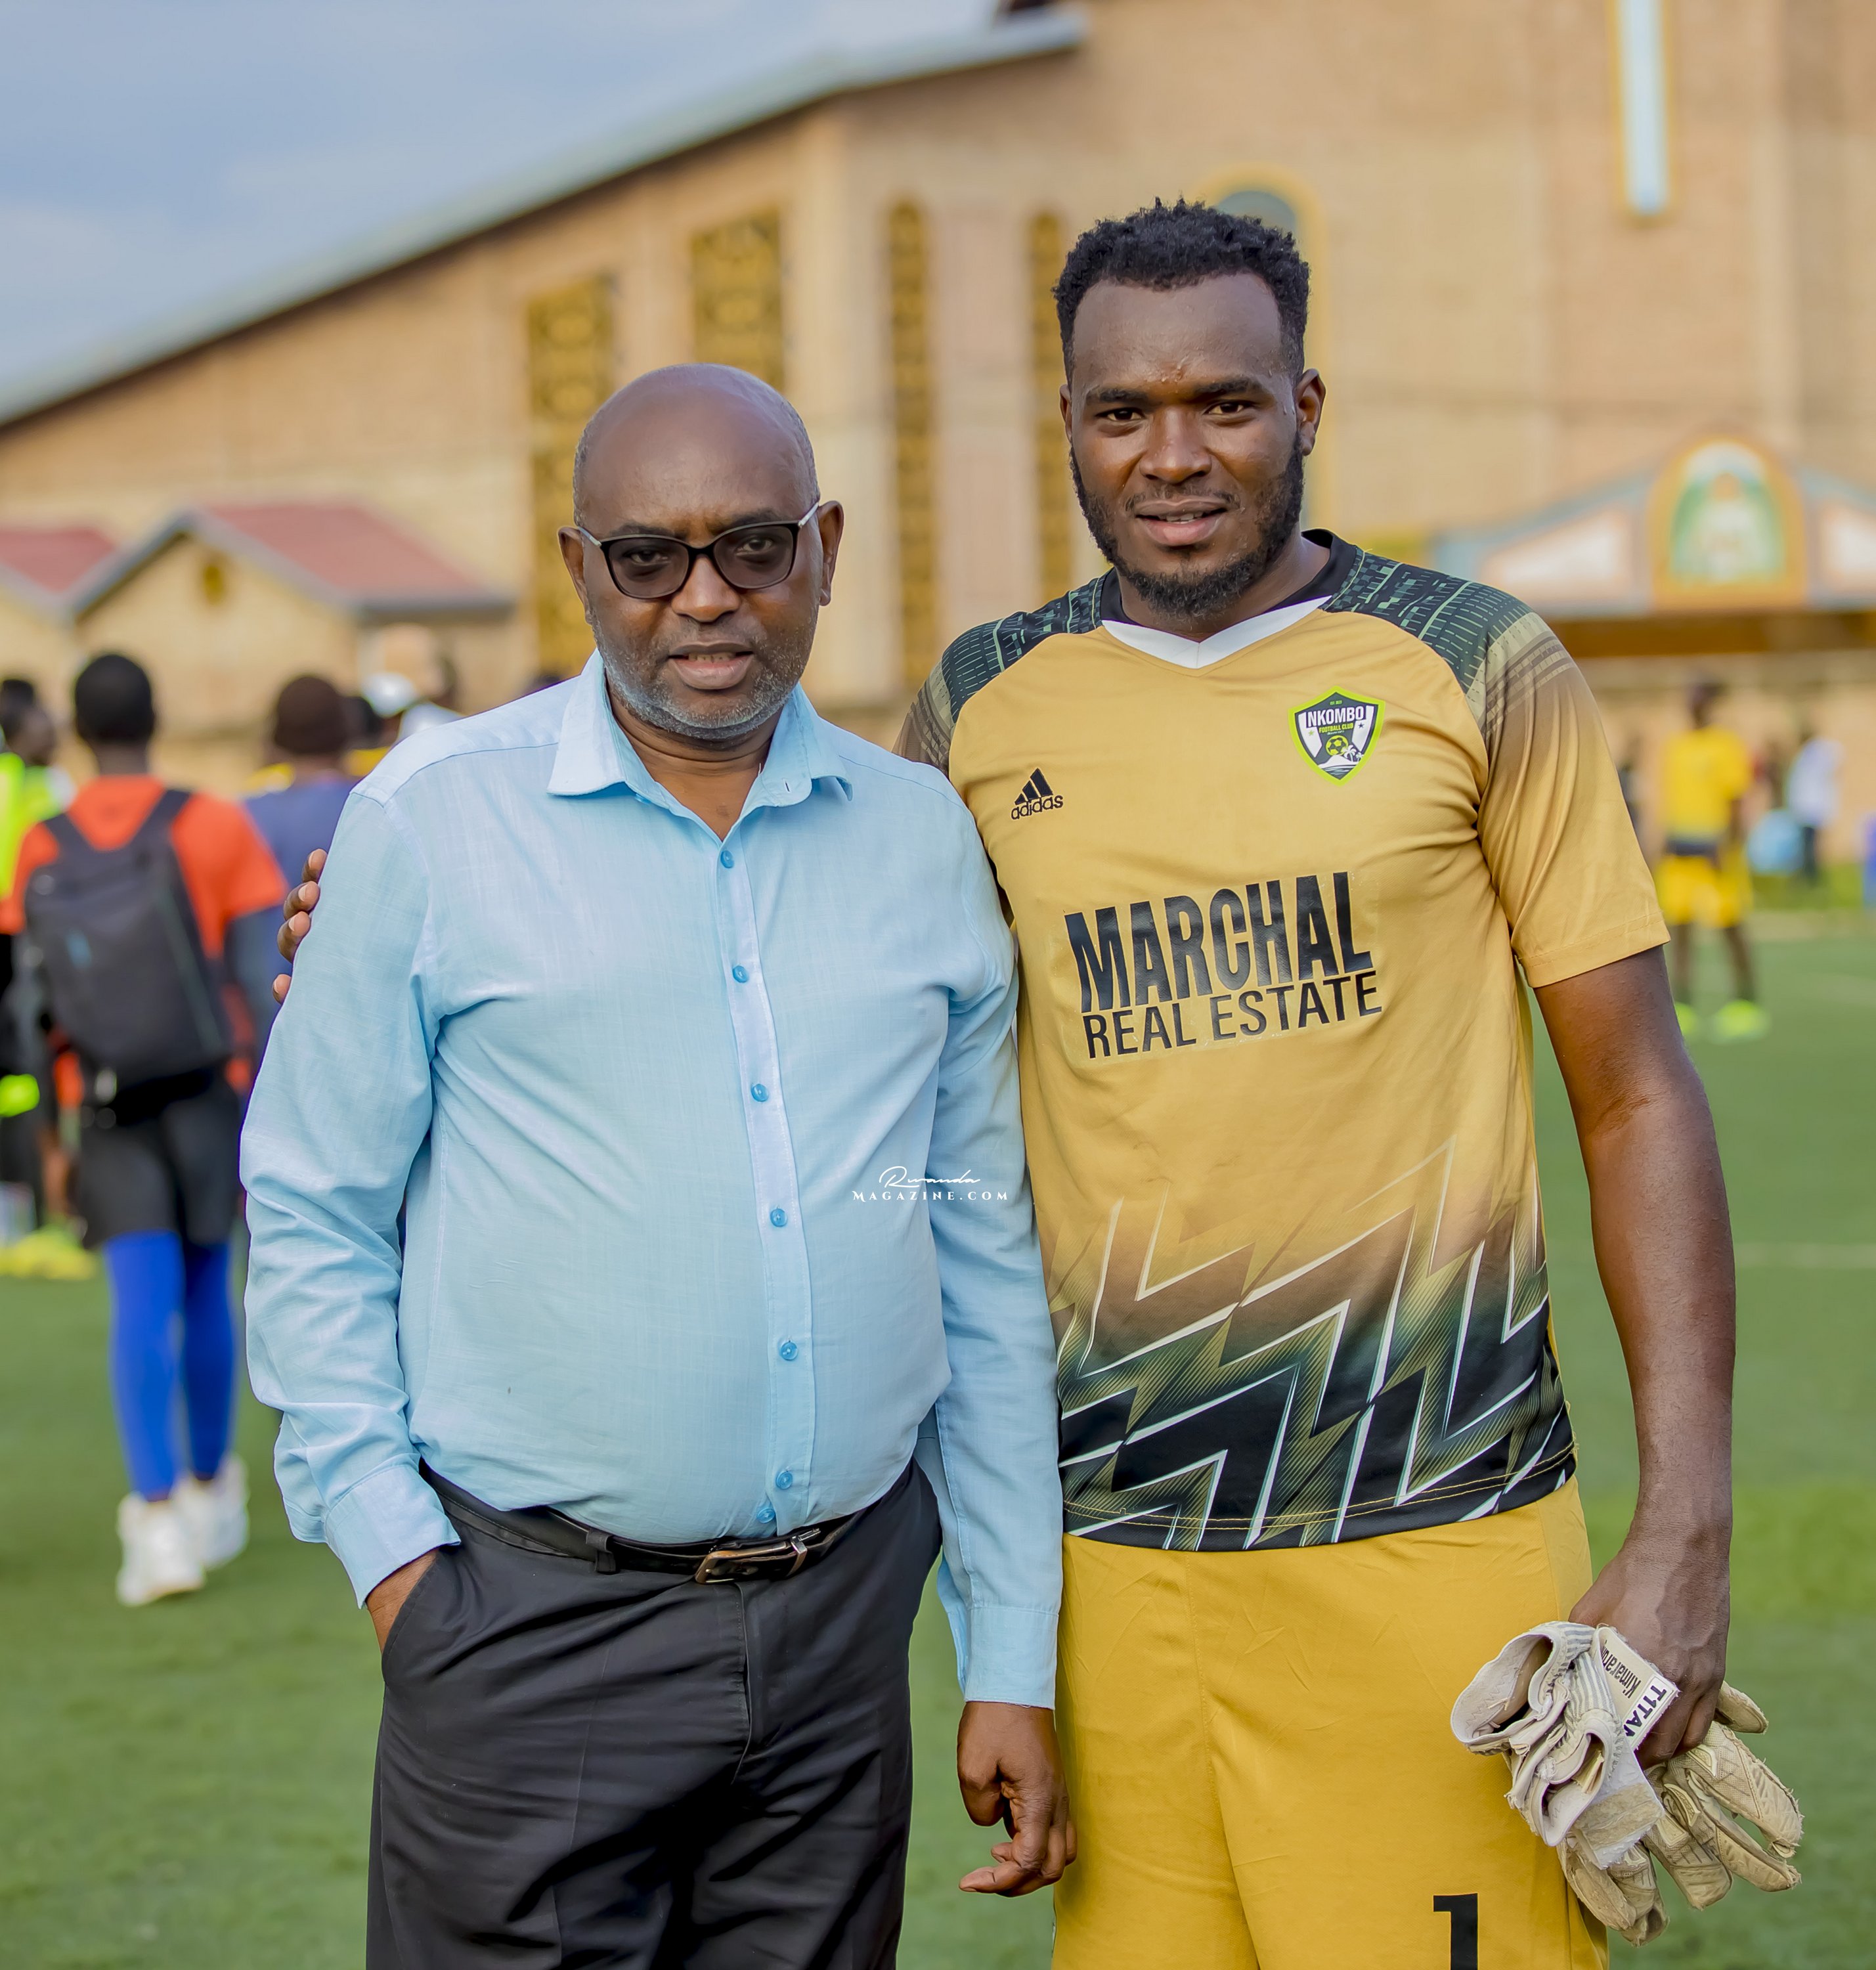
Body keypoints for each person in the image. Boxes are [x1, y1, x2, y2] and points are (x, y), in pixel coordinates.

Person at [898, 202, 1736, 1969]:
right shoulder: (980, 705)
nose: (1173, 455)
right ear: (1067, 425)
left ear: (1306, 405)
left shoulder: (1476, 661)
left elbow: (1636, 1099)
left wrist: (1684, 1528)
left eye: (1225, 402)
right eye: (1122, 411)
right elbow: (834, 1031)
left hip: (1441, 1546)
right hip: (1116, 1578)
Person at [247, 365, 1070, 1966]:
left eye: (753, 545)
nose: (704, 597)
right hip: (523, 1630)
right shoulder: (435, 823)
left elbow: (973, 1248)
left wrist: (1009, 1653)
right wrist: (400, 1571)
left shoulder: (920, 838)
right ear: (579, 567)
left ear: (826, 547)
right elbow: (314, 1202)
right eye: (647, 556)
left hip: (840, 1641)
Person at [1, 653, 284, 1603]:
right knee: (208, 1292)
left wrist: (49, 1139)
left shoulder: (41, 845)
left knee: (139, 1302)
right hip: (206, 1091)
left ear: (79, 731)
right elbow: (258, 981)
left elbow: (32, 1005)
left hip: (103, 1101)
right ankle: (210, 1491)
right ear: (157, 717)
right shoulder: (212, 822)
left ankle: (156, 1520)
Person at [1657, 681, 1766, 1040]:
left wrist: (1729, 846)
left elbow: (1736, 800)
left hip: (1716, 853)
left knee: (1730, 926)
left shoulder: (1726, 744)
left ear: (1712, 702)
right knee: (1680, 928)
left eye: (1700, 696)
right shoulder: (1677, 746)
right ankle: (1683, 1004)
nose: (1694, 703)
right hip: (1681, 852)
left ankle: (1746, 1003)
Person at [243, 676, 357, 925]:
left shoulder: (246, 816)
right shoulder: (369, 807)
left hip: (271, 949)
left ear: (277, 735)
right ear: (347, 728)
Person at [1785, 725, 1841, 888]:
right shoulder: (1812, 754)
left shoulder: (1812, 753)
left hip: (1810, 807)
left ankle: (1810, 875)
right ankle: (1809, 874)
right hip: (1809, 807)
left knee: (1809, 845)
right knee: (1808, 844)